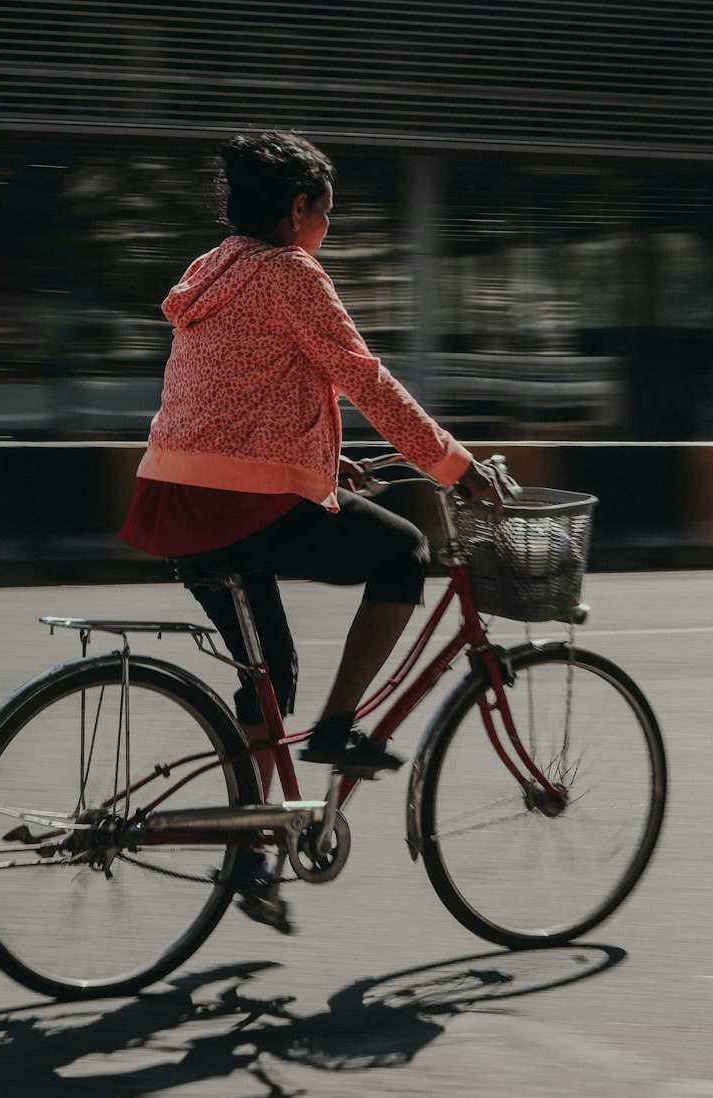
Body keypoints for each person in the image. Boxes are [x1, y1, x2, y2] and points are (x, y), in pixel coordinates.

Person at [120, 130, 503, 925]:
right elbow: (365, 377)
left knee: (270, 673)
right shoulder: (292, 273)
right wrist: (457, 467)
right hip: (239, 506)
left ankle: (250, 852)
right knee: (402, 549)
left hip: (176, 500)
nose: (327, 229)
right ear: (300, 209)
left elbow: (241, 395)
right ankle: (335, 730)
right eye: (326, 214)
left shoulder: (211, 270)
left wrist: (324, 466)